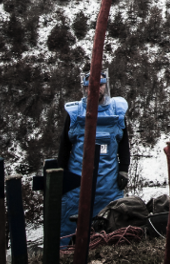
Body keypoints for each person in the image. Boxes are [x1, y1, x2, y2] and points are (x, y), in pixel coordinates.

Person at [58, 70, 130, 247]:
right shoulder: (75, 113)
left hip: (109, 185)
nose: (96, 88)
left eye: (100, 84)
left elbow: (123, 144)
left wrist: (123, 170)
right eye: (91, 85)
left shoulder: (117, 111)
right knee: (70, 228)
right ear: (84, 87)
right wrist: (60, 178)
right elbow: (64, 148)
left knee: (111, 229)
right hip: (77, 184)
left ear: (106, 86)